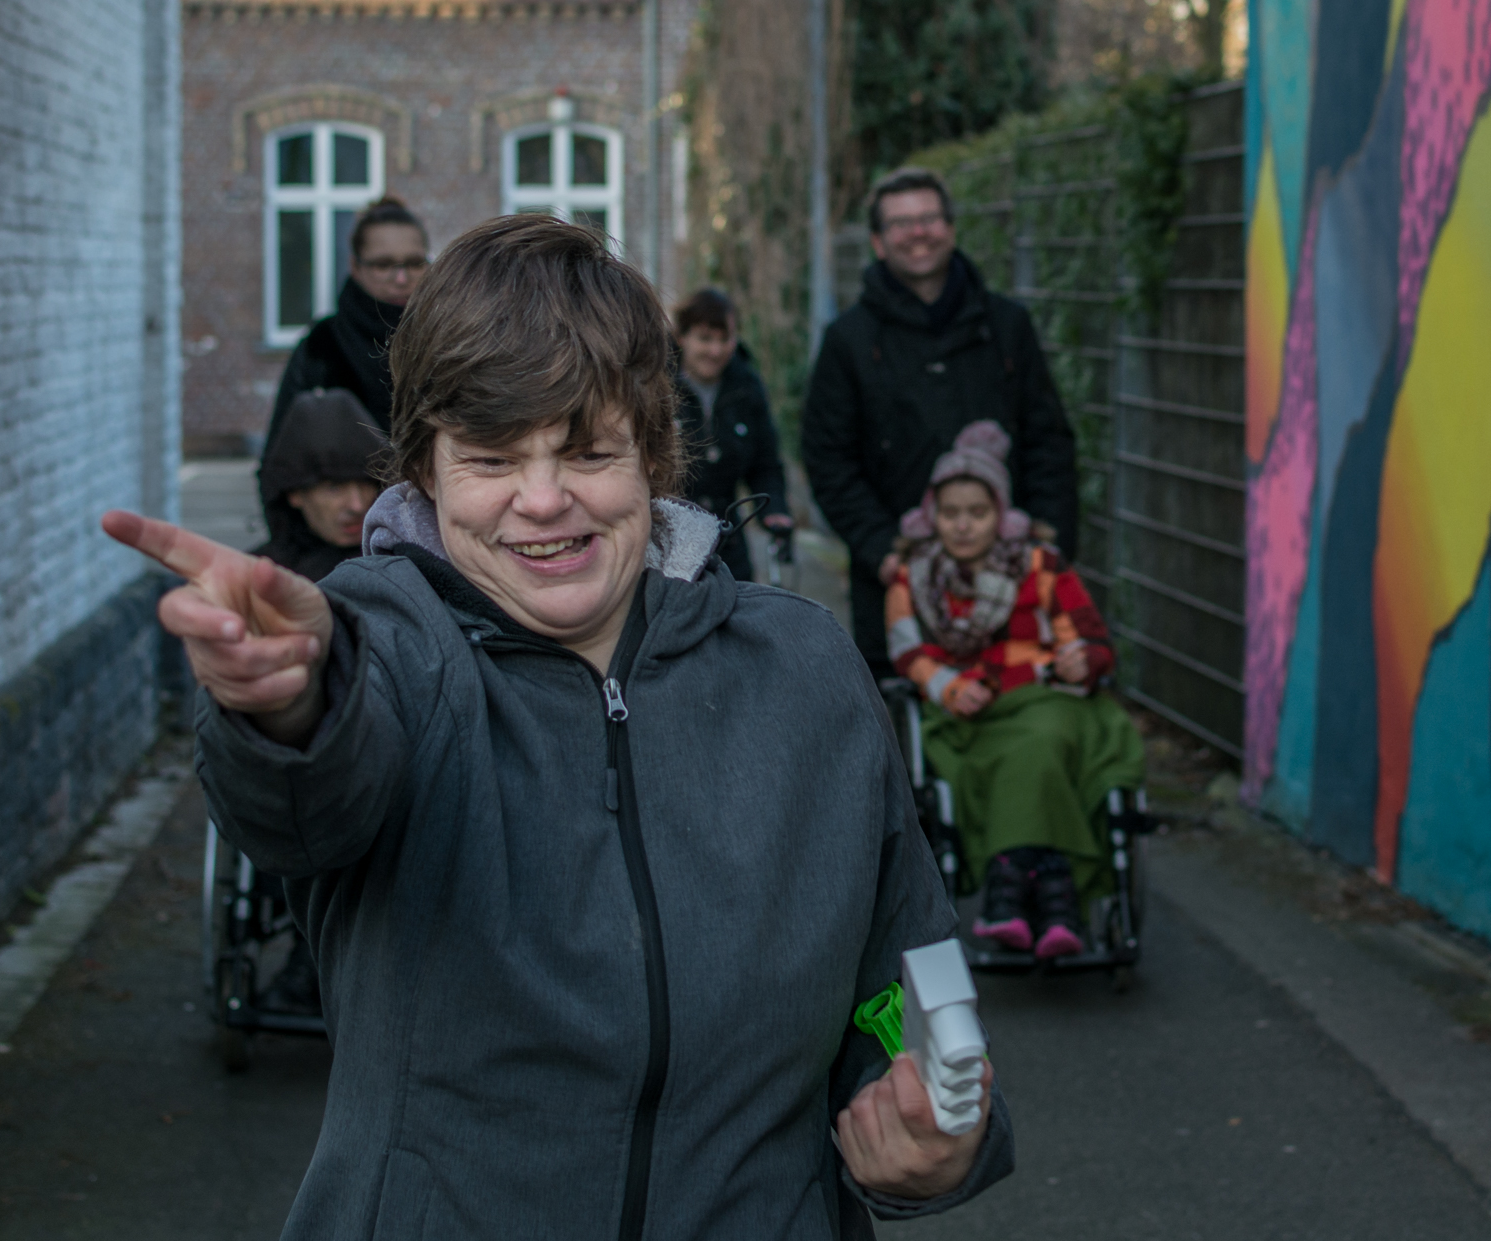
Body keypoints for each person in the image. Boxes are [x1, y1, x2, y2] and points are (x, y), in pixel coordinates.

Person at [101, 214, 1009, 1237]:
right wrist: (283, 706)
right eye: (490, 457)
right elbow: (308, 798)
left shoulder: (803, 673)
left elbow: (902, 977)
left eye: (586, 449)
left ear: (653, 454)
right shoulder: (387, 645)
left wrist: (941, 1123)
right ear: (425, 471)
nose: (542, 500)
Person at [803, 169, 1079, 673]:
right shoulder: (850, 341)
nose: (918, 232)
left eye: (928, 218)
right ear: (879, 243)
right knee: (903, 733)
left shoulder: (1006, 327)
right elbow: (828, 457)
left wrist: (1048, 538)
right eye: (902, 223)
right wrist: (882, 548)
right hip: (898, 582)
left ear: (950, 228)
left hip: (1008, 577)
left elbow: (1047, 441)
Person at [886, 423, 1143, 961]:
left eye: (976, 513)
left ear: (999, 514)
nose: (962, 526)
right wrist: (949, 686)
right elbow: (906, 651)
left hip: (1044, 699)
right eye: (950, 513)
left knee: (1043, 741)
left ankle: (1014, 887)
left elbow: (1095, 643)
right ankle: (1052, 895)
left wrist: (1082, 663)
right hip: (965, 714)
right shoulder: (914, 576)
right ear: (932, 514)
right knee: (1004, 755)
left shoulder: (1040, 565)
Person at [265, 197, 426, 441]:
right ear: (355, 266)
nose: (401, 279)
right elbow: (281, 459)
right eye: (383, 265)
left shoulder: (450, 341)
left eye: (414, 264)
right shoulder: (322, 346)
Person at [672, 287, 794, 580]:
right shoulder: (657, 386)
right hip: (669, 542)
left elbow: (764, 460)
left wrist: (774, 508)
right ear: (682, 338)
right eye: (704, 339)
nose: (715, 351)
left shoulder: (746, 386)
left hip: (728, 541)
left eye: (724, 339)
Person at [254, 388, 389, 582]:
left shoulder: (409, 564)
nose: (357, 505)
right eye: (335, 487)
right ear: (294, 493)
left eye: (367, 483)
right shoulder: (259, 579)